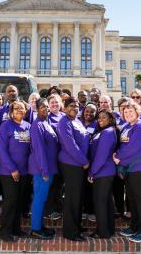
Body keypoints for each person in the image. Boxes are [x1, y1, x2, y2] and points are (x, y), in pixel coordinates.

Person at [114, 102, 141, 243]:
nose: (128, 114)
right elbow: (123, 145)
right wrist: (119, 157)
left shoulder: (140, 126)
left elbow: (132, 147)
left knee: (140, 199)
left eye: (131, 111)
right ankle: (134, 226)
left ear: (138, 112)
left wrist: (118, 157)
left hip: (140, 168)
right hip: (129, 168)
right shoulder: (126, 126)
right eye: (126, 112)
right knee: (132, 199)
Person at [0, 101, 31, 242]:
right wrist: (12, 169)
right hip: (8, 172)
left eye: (22, 108)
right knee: (10, 201)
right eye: (16, 108)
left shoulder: (28, 126)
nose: (19, 110)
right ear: (11, 111)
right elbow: (1, 150)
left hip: (24, 172)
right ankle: (4, 231)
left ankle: (16, 228)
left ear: (26, 111)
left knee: (19, 201)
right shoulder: (6, 126)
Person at [57, 97, 90, 241]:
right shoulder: (64, 122)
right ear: (64, 108)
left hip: (79, 165)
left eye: (76, 106)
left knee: (78, 197)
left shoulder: (77, 121)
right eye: (71, 106)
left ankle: (76, 224)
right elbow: (70, 146)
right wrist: (84, 162)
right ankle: (70, 232)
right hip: (72, 164)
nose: (74, 108)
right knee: (72, 198)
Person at [28, 98, 59, 239]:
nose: (45, 109)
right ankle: (35, 229)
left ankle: (40, 226)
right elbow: (39, 149)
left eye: (47, 107)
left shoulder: (46, 123)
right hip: (42, 170)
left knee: (43, 198)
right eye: (42, 107)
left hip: (50, 168)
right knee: (39, 198)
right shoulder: (36, 125)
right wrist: (44, 170)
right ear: (36, 108)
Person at [88, 109, 117, 239]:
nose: (100, 120)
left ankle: (102, 232)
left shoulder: (108, 132)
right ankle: (109, 229)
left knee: (100, 202)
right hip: (104, 171)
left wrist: (92, 172)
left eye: (103, 117)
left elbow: (101, 155)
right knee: (106, 202)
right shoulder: (103, 132)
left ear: (110, 119)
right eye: (98, 118)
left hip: (103, 171)